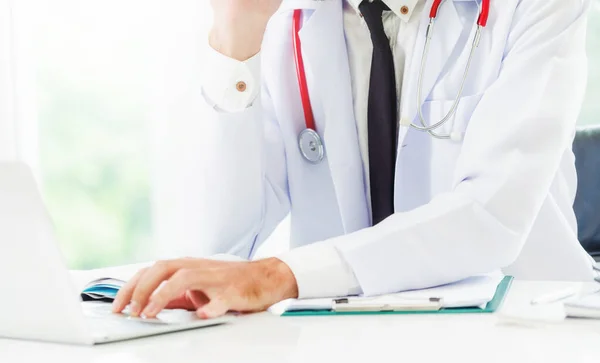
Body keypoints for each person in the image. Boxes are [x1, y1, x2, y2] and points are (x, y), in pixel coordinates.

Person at [113, 0, 597, 319]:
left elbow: (490, 214)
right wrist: (234, 39)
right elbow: (215, 243)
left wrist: (279, 275)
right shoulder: (287, 18)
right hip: (346, 339)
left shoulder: (538, 7)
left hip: (527, 333)